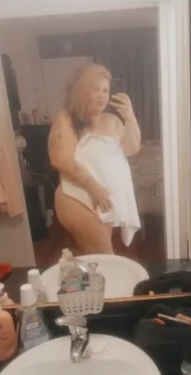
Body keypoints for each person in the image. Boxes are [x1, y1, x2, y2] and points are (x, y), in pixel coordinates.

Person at [48, 63, 141, 254]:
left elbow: (132, 149)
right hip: (77, 197)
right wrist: (94, 188)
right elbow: (60, 159)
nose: (102, 95)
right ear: (82, 91)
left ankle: (73, 270)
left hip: (102, 201)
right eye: (95, 89)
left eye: (105, 90)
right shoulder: (67, 119)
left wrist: (130, 117)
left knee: (94, 257)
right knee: (105, 256)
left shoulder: (112, 120)